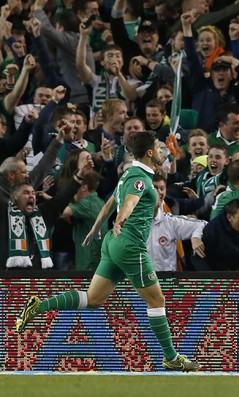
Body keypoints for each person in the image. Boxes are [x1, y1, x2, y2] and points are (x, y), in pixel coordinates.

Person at [15, 130, 199, 372]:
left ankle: (40, 306)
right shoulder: (140, 178)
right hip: (130, 245)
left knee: (94, 299)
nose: (162, 150)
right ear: (150, 152)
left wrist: (95, 229)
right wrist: (122, 220)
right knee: (157, 300)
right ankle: (172, 357)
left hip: (113, 244)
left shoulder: (129, 174)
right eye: (158, 146)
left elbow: (111, 202)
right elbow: (129, 202)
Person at [200, 199, 239, 271]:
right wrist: (210, 278)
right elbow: (201, 257)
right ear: (229, 217)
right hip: (218, 271)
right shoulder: (213, 229)